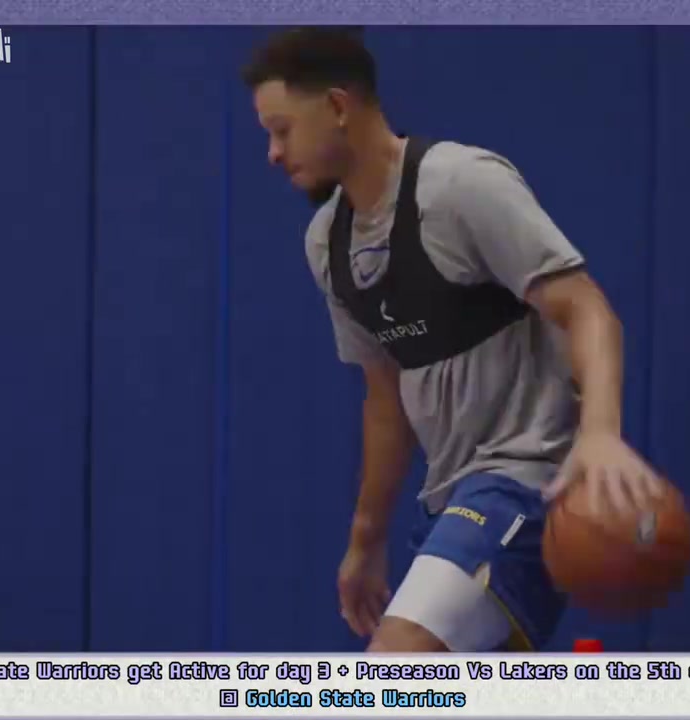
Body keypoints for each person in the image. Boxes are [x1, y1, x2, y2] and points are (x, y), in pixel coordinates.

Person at [241, 28, 663, 653]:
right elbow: (385, 400)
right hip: (448, 498)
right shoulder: (327, 243)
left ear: (336, 106)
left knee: (389, 677)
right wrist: (365, 540)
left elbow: (587, 309)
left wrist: (601, 435)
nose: (273, 154)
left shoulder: (459, 186)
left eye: (282, 130)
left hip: (526, 481)